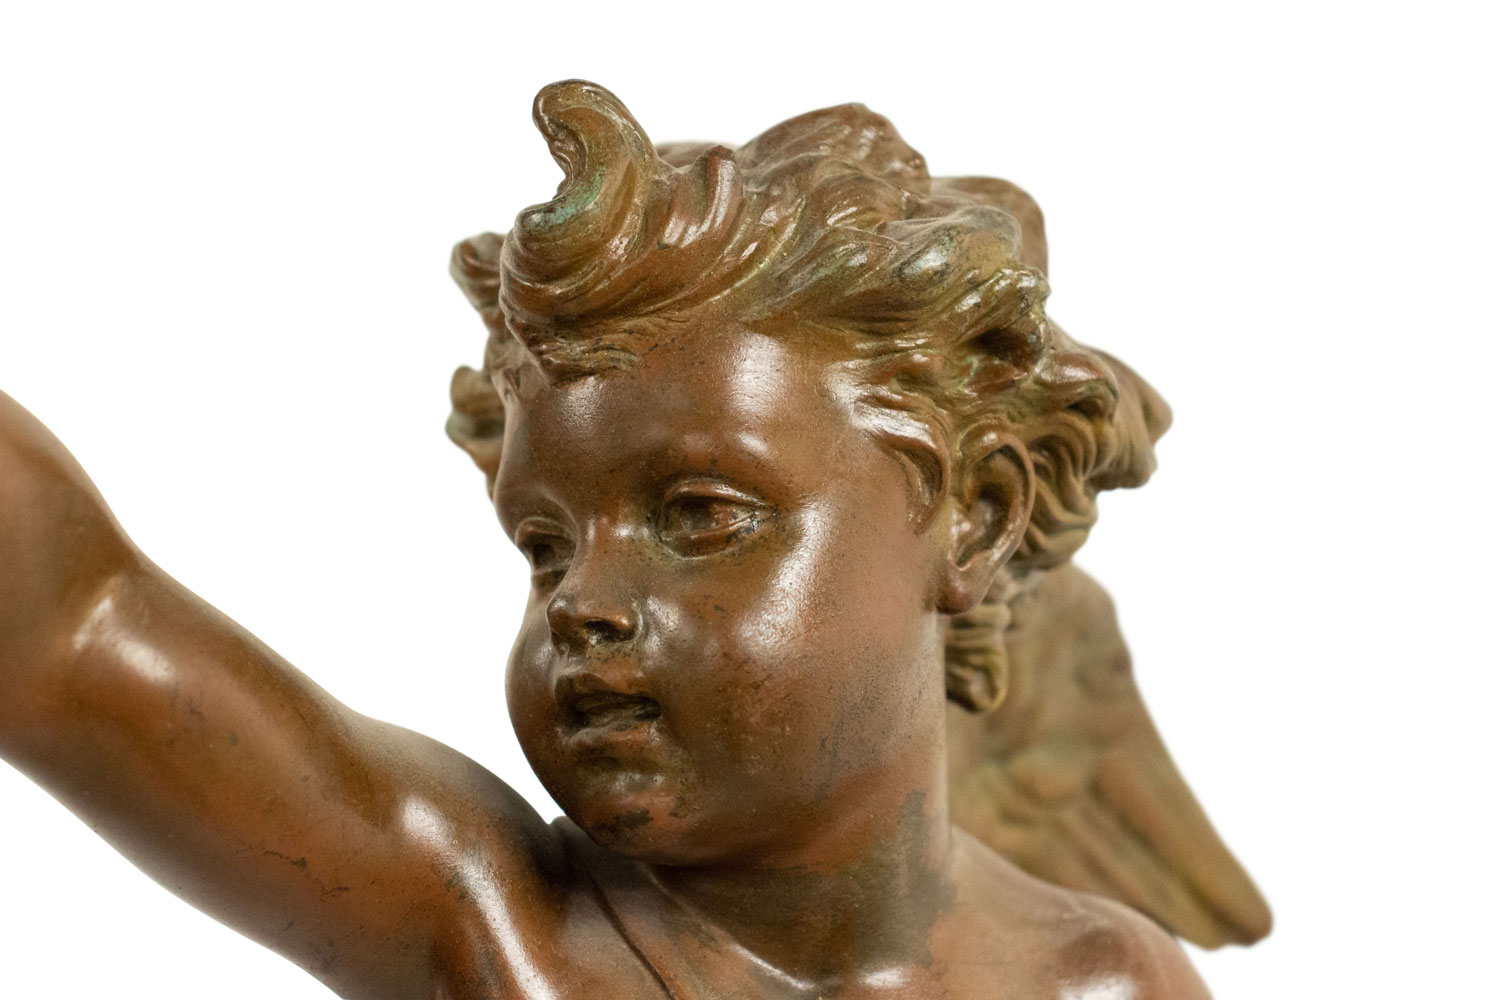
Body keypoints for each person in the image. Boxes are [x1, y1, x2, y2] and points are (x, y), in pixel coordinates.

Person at [0, 80, 1257, 998]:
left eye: (700, 514)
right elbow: (73, 625)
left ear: (973, 518)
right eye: (543, 545)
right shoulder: (496, 930)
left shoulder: (1101, 981)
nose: (581, 600)